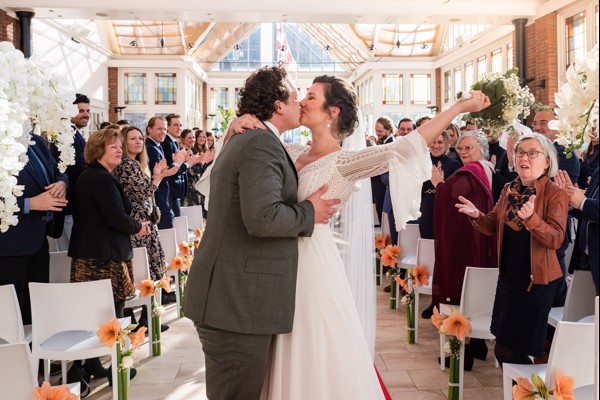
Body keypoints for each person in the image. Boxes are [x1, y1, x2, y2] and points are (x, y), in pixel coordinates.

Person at [227, 75, 491, 398]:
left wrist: (459, 107)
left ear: (332, 112)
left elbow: (406, 147)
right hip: (276, 262)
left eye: (311, 96)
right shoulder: (289, 149)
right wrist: (236, 125)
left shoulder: (345, 162)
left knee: (310, 339)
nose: (302, 102)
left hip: (312, 263)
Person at [183, 66, 340, 400]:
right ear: (278, 105)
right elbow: (263, 218)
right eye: (295, 97)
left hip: (234, 299)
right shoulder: (259, 144)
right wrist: (310, 212)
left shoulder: (253, 138)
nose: (300, 103)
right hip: (235, 303)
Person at [456, 133, 569, 366]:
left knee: (509, 351)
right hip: (510, 279)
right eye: (520, 153)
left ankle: (531, 386)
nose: (524, 158)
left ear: (547, 162)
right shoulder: (509, 189)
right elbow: (491, 224)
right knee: (504, 348)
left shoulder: (555, 193)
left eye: (532, 153)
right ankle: (525, 386)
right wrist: (477, 215)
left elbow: (556, 239)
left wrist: (531, 220)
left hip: (536, 283)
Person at [68, 127, 150, 384]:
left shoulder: (96, 175)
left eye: (119, 146)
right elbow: (115, 217)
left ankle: (92, 365)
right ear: (98, 150)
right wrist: (138, 227)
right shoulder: (101, 178)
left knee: (97, 314)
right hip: (103, 259)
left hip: (95, 253)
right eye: (113, 146)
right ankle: (117, 368)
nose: (119, 149)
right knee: (112, 315)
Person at [430, 130, 499, 370]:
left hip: (467, 241)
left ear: (482, 148)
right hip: (480, 237)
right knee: (480, 289)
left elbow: (451, 195)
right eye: (460, 148)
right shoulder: (488, 170)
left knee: (463, 290)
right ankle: (477, 345)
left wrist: (438, 185)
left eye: (468, 147)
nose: (462, 152)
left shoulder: (469, 172)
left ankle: (464, 351)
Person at [0, 133, 68, 325]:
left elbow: (58, 170)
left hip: (39, 242)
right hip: (8, 248)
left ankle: (35, 345)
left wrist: (61, 183)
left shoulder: (36, 142)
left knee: (37, 312)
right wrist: (30, 204)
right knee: (10, 317)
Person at [114, 126, 176, 280]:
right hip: (137, 220)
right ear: (124, 142)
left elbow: (146, 191)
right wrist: (159, 177)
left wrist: (155, 175)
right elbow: (141, 193)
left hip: (145, 219)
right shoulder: (126, 164)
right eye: (132, 139)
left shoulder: (136, 163)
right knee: (143, 269)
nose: (138, 142)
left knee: (150, 265)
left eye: (140, 138)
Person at [55, 93, 89, 251]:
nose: (86, 114)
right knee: (76, 253)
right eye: (81, 111)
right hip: (71, 204)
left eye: (87, 111)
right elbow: (80, 168)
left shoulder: (73, 132)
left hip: (69, 206)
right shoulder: (67, 134)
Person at [557, 167, 599, 294]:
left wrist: (583, 202)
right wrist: (571, 197)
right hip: (587, 259)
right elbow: (588, 204)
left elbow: (586, 203)